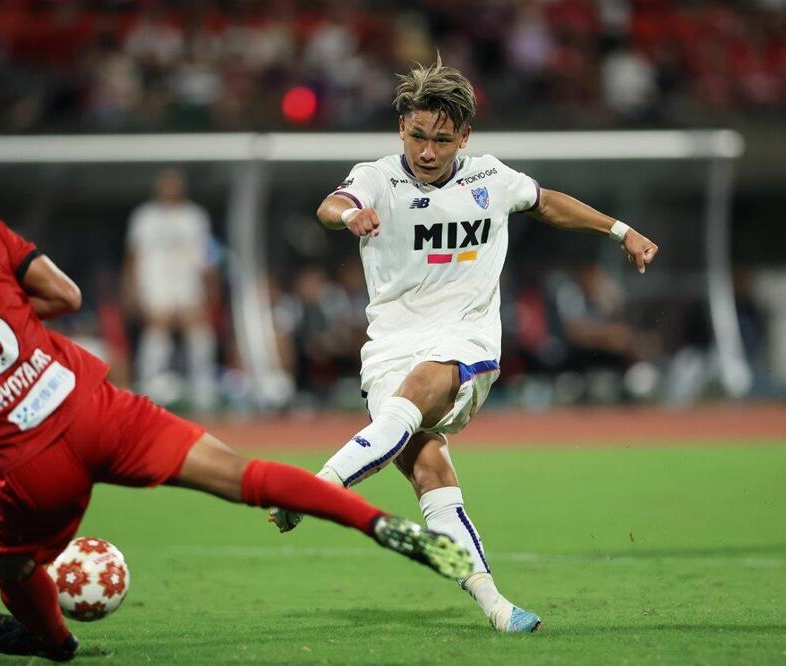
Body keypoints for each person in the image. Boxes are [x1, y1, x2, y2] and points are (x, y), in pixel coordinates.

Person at [0, 127, 470, 662]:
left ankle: (56, 641)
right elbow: (66, 297)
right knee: (241, 474)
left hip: (30, 462)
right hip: (95, 408)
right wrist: (11, 315)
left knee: (3, 559)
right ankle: (377, 524)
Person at [269, 56, 659, 633]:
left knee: (423, 384)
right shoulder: (377, 177)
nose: (428, 152)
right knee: (433, 478)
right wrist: (349, 217)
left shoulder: (489, 179)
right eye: (418, 137)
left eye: (442, 140)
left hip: (463, 341)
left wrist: (620, 230)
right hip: (388, 349)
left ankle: (314, 490)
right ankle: (498, 608)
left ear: (465, 138)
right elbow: (332, 205)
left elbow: (546, 202)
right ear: (401, 128)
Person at [122, 168, 218, 412]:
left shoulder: (195, 216)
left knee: (199, 333)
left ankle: (204, 394)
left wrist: (211, 290)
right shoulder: (145, 217)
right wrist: (132, 292)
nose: (169, 189)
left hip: (187, 283)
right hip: (155, 283)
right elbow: (133, 257)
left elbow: (207, 257)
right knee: (156, 332)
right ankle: (149, 392)